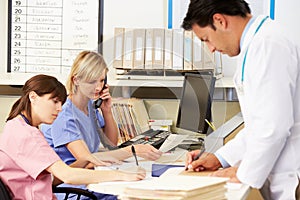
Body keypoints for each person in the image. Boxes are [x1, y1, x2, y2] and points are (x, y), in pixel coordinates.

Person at [182, 0, 300, 199]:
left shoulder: (267, 44)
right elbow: (258, 125)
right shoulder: (256, 43)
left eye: (206, 39)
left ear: (219, 21)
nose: (210, 49)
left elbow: (273, 127)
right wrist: (220, 158)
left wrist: (243, 173)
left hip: (292, 175)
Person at [0, 74, 146, 200]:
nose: (59, 108)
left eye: (61, 103)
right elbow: (67, 176)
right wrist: (121, 175)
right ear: (33, 97)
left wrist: (83, 160)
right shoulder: (27, 135)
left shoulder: (16, 126)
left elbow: (51, 179)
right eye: (55, 101)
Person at [40, 51, 162, 199]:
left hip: (92, 178)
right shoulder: (64, 115)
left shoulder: (91, 106)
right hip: (74, 189)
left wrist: (107, 111)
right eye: (92, 82)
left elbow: (111, 143)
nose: (98, 87)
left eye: (101, 80)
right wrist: (131, 150)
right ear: (76, 80)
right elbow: (88, 159)